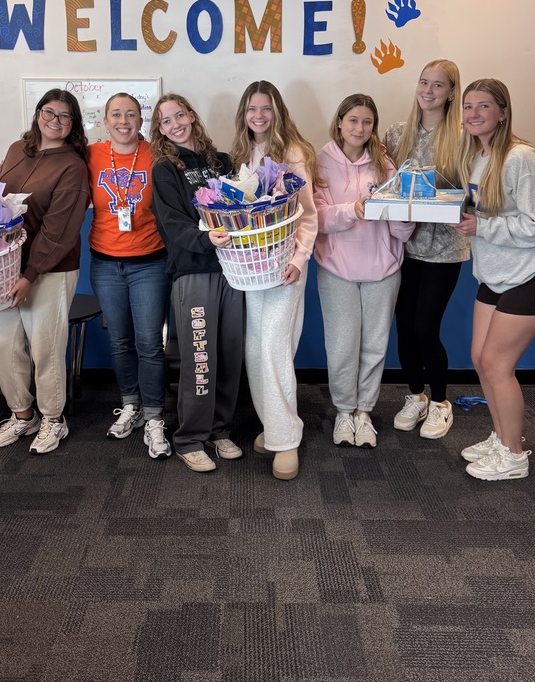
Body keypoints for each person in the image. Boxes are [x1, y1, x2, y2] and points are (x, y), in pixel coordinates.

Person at [453, 79, 535, 481]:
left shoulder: (521, 158)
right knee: (481, 360)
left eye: (484, 106)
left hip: (530, 277)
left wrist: (482, 227)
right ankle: (501, 437)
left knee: (498, 366)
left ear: (502, 112)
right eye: (468, 106)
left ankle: (514, 456)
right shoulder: (478, 158)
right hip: (497, 276)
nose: (474, 114)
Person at [0, 89, 90, 455]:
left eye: (65, 116)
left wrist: (29, 275)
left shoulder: (73, 166)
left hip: (49, 269)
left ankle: (52, 419)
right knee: (1, 343)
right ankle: (22, 414)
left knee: (46, 347)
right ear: (38, 113)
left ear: (73, 124)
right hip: (4, 266)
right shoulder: (18, 150)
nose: (56, 120)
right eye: (50, 112)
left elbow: (58, 231)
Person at [314, 94, 416, 449]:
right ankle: (344, 412)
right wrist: (353, 210)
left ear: (374, 127)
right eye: (353, 120)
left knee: (375, 346)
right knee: (342, 347)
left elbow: (401, 230)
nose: (359, 128)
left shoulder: (386, 165)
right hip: (337, 269)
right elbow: (318, 220)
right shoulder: (319, 163)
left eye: (367, 122)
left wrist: (404, 215)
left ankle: (364, 413)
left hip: (384, 269)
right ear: (340, 122)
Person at [150, 93, 244, 473]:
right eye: (165, 120)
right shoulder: (163, 168)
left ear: (191, 115)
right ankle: (190, 437)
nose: (175, 123)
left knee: (230, 353)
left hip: (233, 270)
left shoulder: (222, 162)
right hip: (193, 270)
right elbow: (171, 222)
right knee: (199, 357)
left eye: (179, 115)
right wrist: (206, 240)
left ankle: (220, 430)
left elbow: (243, 204)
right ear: (159, 129)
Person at [230, 81, 319, 481]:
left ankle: (286, 441)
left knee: (273, 346)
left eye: (266, 108)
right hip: (252, 268)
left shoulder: (294, 153)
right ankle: (275, 425)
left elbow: (309, 214)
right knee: (254, 348)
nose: (259, 116)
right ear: (244, 114)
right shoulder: (241, 153)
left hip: (285, 268)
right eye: (252, 109)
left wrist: (300, 259)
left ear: (277, 111)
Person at [384, 59, 469, 440]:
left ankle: (440, 402)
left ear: (452, 92)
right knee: (404, 327)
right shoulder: (396, 134)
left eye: (438, 85)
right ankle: (415, 395)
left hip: (444, 248)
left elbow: (474, 190)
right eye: (423, 82)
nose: (429, 91)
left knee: (425, 327)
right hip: (404, 245)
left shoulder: (464, 136)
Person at [88, 92, 171, 458]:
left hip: (150, 262)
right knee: (120, 341)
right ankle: (131, 406)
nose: (124, 121)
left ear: (142, 120)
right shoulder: (90, 155)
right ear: (105, 121)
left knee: (149, 343)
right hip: (105, 263)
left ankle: (154, 416)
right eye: (116, 114)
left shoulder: (159, 155)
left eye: (131, 114)